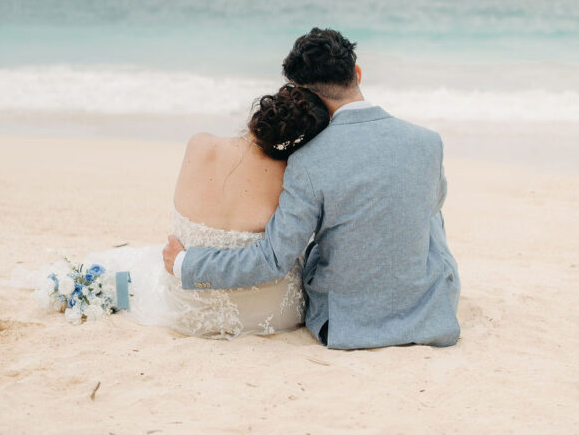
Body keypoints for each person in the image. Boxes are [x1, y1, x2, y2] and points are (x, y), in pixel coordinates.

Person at [163, 27, 461, 350]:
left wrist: (186, 264)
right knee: (428, 211)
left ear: (304, 96)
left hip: (343, 326)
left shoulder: (307, 162)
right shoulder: (428, 143)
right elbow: (431, 205)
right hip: (428, 316)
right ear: (357, 73)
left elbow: (273, 259)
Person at [12, 84, 329, 339]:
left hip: (186, 305)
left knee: (136, 266)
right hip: (273, 313)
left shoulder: (200, 143)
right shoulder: (293, 177)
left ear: (259, 113)